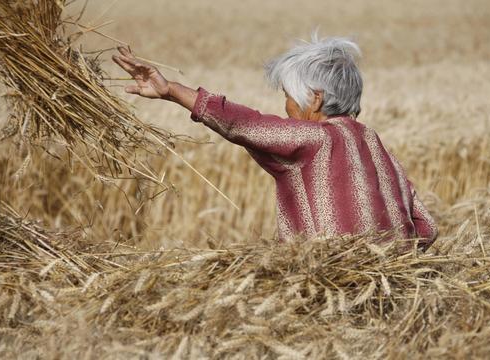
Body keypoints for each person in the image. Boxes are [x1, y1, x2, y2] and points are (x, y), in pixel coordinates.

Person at [112, 35, 438, 249]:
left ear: (315, 99)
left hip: (331, 289)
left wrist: (171, 90)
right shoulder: (377, 147)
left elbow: (243, 124)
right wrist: (395, 266)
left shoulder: (316, 138)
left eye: (288, 96)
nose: (286, 107)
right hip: (391, 288)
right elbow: (427, 227)